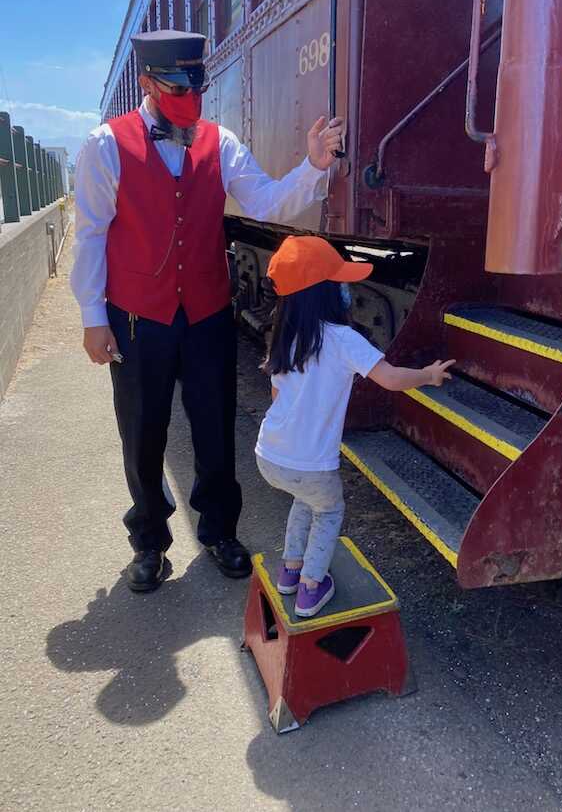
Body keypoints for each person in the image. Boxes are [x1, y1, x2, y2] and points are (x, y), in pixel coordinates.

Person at [70, 30, 343, 593]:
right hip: (136, 318)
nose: (188, 103)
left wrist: (313, 168)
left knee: (215, 429)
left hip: (206, 314)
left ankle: (220, 531)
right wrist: (93, 317)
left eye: (195, 89)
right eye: (175, 90)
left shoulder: (220, 142)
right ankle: (149, 540)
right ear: (147, 84)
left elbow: (266, 200)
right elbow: (91, 235)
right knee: (143, 434)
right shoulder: (104, 145)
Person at [255, 235, 455, 617]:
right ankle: (312, 586)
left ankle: (290, 571)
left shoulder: (285, 337)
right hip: (311, 466)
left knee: (305, 499)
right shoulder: (344, 339)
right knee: (329, 511)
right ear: (325, 294)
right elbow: (392, 379)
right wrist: (428, 375)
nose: (346, 289)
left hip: (270, 455)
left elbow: (277, 397)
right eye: (339, 282)